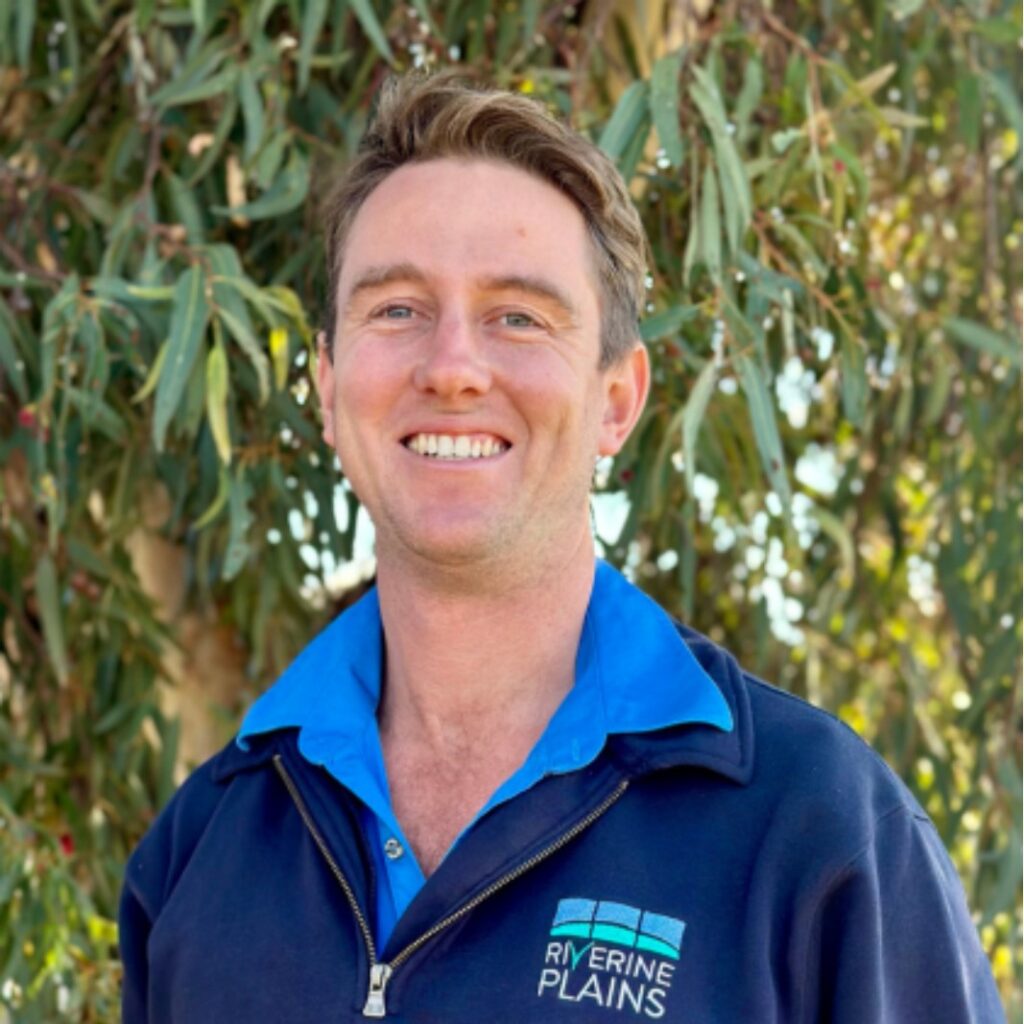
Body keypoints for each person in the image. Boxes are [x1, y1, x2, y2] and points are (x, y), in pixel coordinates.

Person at [119, 72, 1004, 1023]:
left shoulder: (817, 832)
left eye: (518, 316)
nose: (453, 366)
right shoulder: (202, 850)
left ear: (618, 400)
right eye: (397, 309)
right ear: (330, 390)